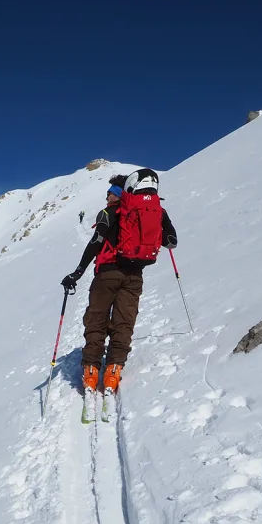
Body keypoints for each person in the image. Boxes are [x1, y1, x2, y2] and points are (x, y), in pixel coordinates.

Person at [61, 169, 177, 395]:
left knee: (97, 318)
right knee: (124, 321)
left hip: (107, 273)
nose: (106, 198)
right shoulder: (155, 210)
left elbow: (96, 242)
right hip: (134, 275)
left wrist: (77, 272)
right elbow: (171, 241)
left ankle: (92, 369)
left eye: (109, 193)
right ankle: (114, 368)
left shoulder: (109, 213)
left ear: (118, 193)